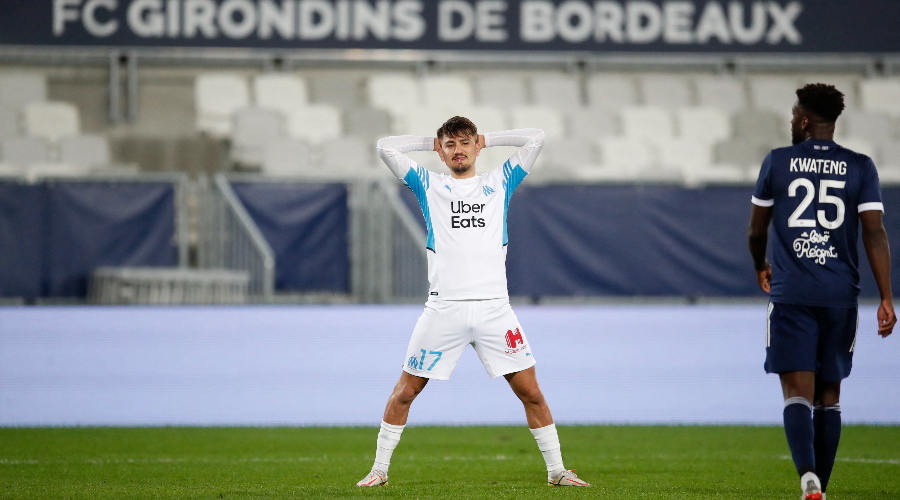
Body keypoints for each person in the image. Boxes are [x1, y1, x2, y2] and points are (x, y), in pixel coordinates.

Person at [355, 116, 589, 488]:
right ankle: (378, 471)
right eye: (450, 145)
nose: (458, 150)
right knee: (405, 392)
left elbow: (537, 137)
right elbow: (385, 145)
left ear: (477, 146)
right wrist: (430, 141)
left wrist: (489, 137)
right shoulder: (428, 184)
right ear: (441, 151)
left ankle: (558, 472)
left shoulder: (499, 181)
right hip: (444, 309)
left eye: (465, 143)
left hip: (495, 309)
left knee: (531, 392)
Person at [748, 83, 895, 500]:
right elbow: (875, 232)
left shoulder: (778, 161)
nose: (793, 119)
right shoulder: (860, 166)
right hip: (839, 295)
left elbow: (757, 229)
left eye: (795, 113)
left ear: (805, 121)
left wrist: (761, 265)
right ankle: (821, 490)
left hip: (792, 292)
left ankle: (807, 477)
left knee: (797, 392)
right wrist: (886, 296)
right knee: (829, 396)